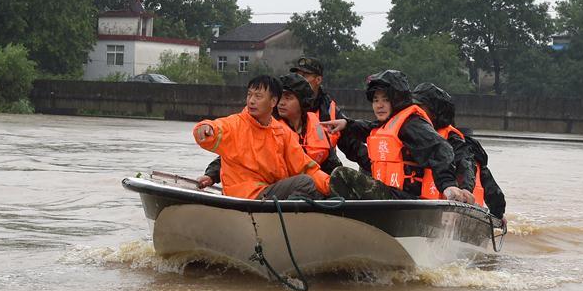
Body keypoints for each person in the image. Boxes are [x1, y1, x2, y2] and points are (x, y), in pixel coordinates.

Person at [321, 70, 473, 204]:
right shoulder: (387, 123)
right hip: (390, 196)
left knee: (342, 174)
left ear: (397, 99)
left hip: (407, 201)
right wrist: (346, 124)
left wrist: (448, 185)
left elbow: (441, 148)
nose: (379, 105)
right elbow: (368, 128)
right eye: (375, 100)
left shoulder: (412, 124)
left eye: (385, 100)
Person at [192, 75, 331, 200]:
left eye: (258, 96)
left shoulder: (281, 132)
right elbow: (216, 128)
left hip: (268, 191)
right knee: (305, 182)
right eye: (249, 95)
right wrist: (205, 128)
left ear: (273, 102)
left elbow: (305, 167)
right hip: (243, 195)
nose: (251, 101)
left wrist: (330, 185)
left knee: (318, 191)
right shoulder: (235, 124)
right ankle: (290, 218)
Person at [412, 82, 507, 220]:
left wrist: (498, 213)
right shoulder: (410, 135)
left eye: (420, 107)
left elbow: (476, 173)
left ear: (435, 113)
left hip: (455, 212)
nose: (415, 111)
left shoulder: (459, 144)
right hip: (416, 206)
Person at [289, 56, 370, 172]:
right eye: (297, 75)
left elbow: (352, 145)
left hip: (323, 169)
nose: (298, 80)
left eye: (304, 76)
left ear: (318, 80)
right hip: (291, 171)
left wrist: (376, 166)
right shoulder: (282, 105)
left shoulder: (330, 110)